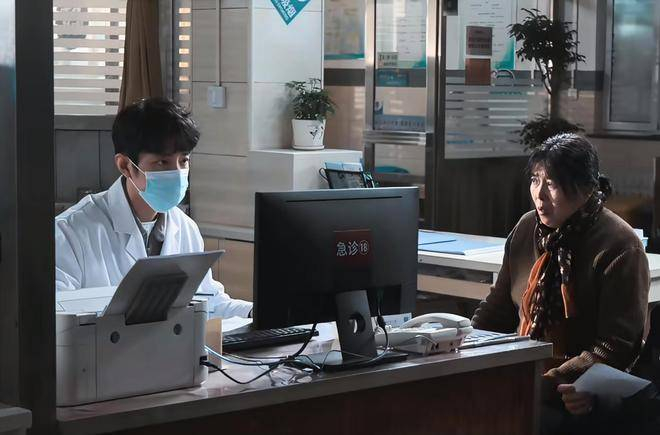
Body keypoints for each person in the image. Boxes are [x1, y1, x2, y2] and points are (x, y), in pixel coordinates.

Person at [470, 133, 650, 431]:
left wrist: (548, 381)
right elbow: (497, 310)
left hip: (581, 389)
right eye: (535, 180)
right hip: (525, 376)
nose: (539, 195)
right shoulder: (527, 227)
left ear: (586, 188)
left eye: (551, 184)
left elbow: (617, 345)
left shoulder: (619, 245)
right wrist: (462, 352)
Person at [55, 97, 252, 318]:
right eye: (162, 162)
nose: (177, 172)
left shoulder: (185, 228)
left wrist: (257, 312)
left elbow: (209, 304)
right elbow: (57, 321)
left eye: (184, 161)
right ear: (125, 166)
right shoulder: (69, 232)